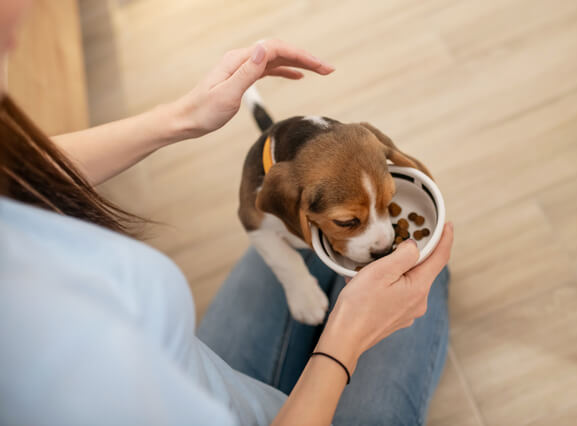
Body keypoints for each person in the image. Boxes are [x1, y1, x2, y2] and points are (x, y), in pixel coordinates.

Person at [0, 1, 454, 425]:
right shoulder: (46, 365)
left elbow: (17, 172)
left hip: (202, 370)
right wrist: (344, 342)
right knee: (425, 276)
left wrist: (182, 116)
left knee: (337, 263)